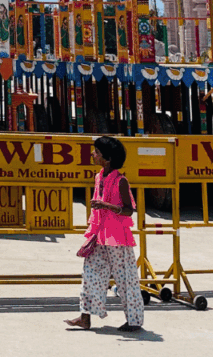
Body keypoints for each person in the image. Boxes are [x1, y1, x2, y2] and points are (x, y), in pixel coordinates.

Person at [66, 136, 143, 332]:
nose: (93, 154)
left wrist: (106, 206)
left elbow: (128, 210)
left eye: (97, 152)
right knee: (90, 275)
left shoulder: (121, 181)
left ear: (108, 159)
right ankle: (85, 317)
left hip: (117, 238)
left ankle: (134, 320)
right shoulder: (99, 177)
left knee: (125, 279)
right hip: (99, 235)